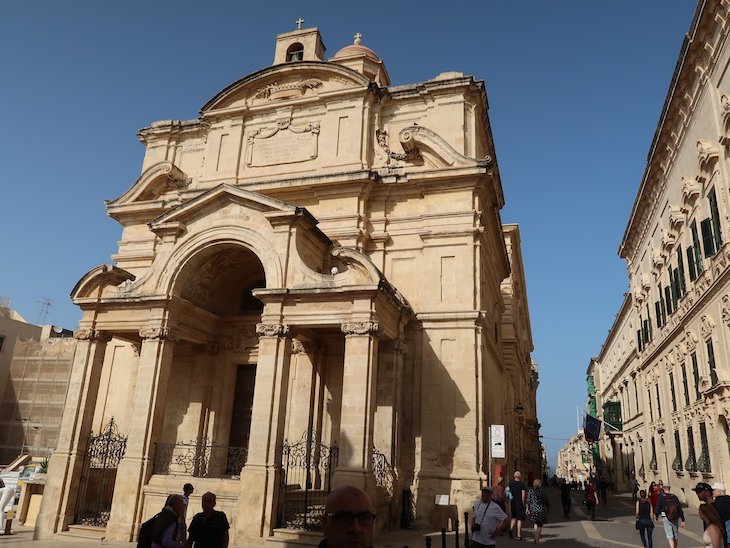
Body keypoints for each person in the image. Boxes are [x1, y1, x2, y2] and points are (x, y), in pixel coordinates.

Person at [525, 479, 550, 544]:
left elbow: (528, 500)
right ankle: (537, 540)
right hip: (540, 509)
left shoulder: (531, 491)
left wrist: (527, 509)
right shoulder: (542, 491)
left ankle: (535, 538)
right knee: (539, 525)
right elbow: (546, 500)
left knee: (535, 523)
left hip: (533, 509)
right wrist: (548, 508)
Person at [507, 471, 528, 540]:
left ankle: (510, 530)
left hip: (513, 503)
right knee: (519, 519)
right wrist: (523, 503)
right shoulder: (522, 485)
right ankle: (518, 535)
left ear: (514, 476)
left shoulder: (510, 484)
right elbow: (523, 495)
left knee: (513, 518)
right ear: (520, 477)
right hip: (519, 503)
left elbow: (507, 493)